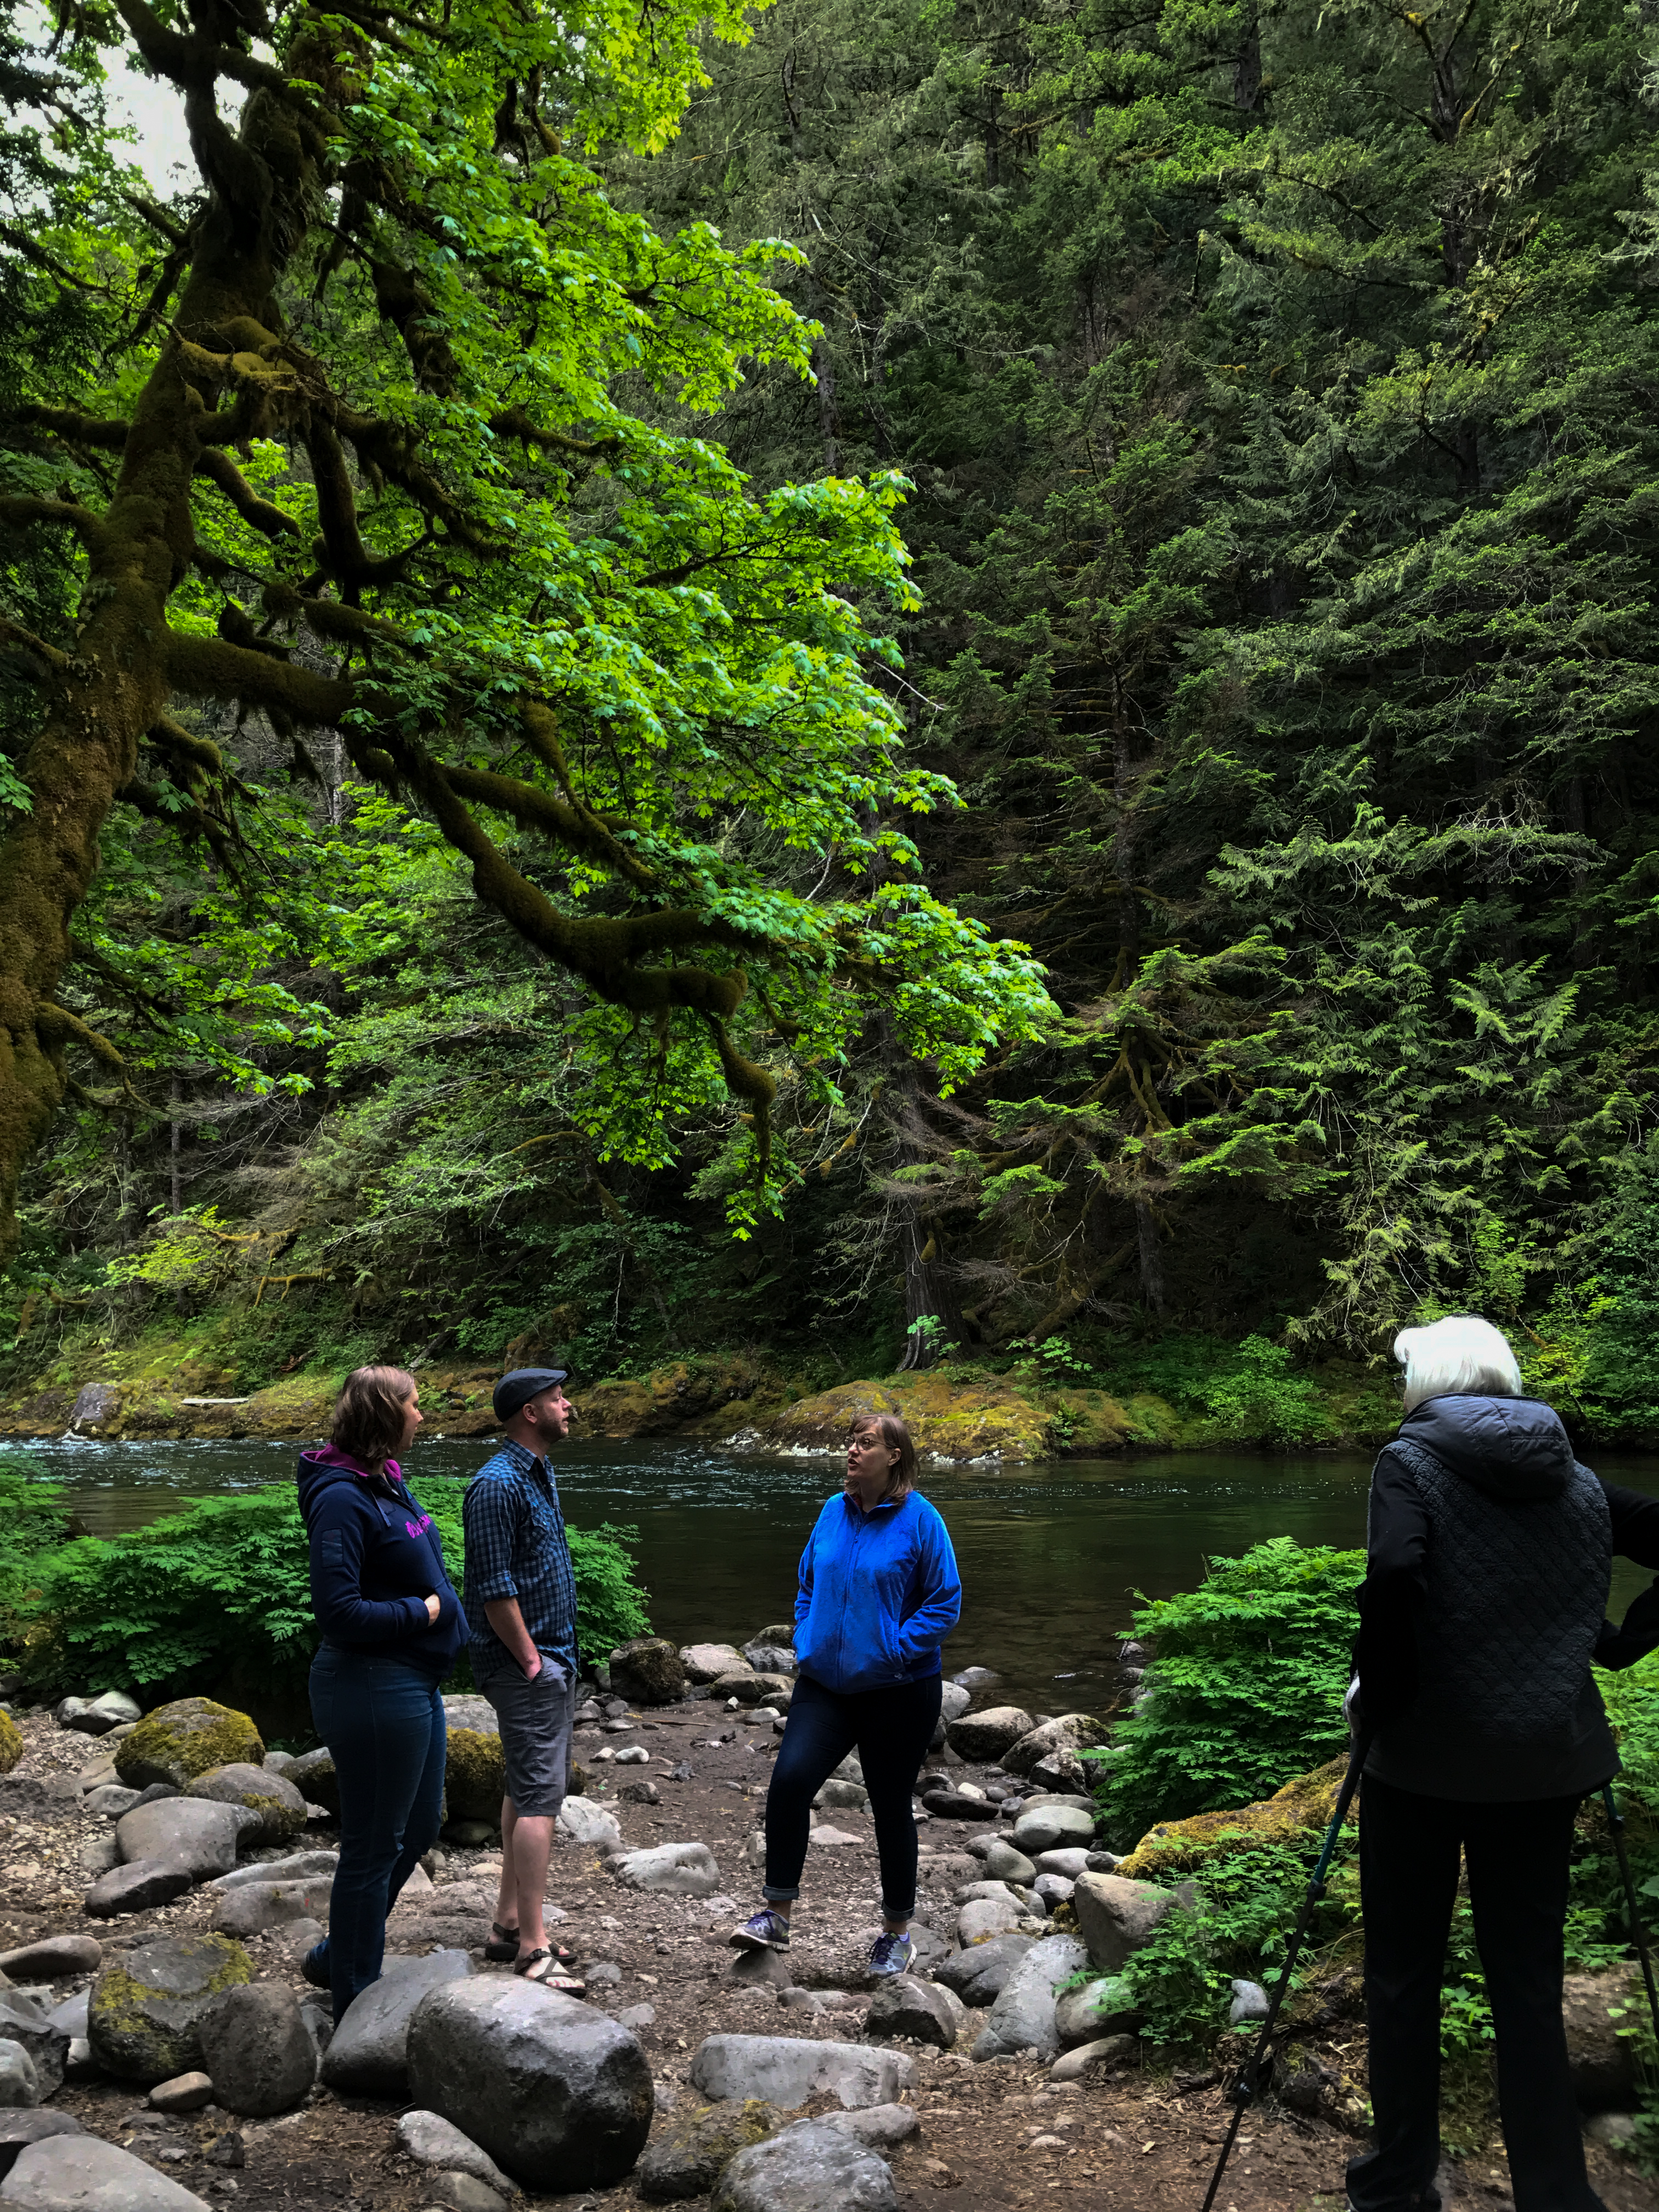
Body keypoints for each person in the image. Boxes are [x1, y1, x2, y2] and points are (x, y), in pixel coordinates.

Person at [1346, 1314, 1659, 2212]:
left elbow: (1396, 1573)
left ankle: (1398, 2182)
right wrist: (1614, 1644)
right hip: (1544, 1769)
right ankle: (1555, 2194)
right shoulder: (1575, 1478)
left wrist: (1380, 1702)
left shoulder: (1406, 1463)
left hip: (1416, 1769)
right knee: (1525, 1982)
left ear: (1427, 1381)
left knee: (1403, 1975)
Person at [730, 1412, 961, 1976]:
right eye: (851, 1443)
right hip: (826, 1686)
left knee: (889, 1808)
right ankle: (777, 1914)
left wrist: (895, 1650)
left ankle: (896, 1935)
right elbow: (808, 1583)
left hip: (899, 1690)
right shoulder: (833, 1512)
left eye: (865, 1444)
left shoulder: (922, 1520)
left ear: (895, 1456)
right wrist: (807, 1638)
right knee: (789, 1782)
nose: (852, 1452)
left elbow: (945, 1601)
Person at [299, 1364, 462, 2024]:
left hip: (413, 1681)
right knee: (371, 1843)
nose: (423, 1416)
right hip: (370, 1684)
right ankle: (356, 1999)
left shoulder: (385, 1480)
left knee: (421, 1825)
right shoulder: (341, 1497)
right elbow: (338, 1612)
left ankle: (339, 1953)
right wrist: (420, 1615)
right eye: (415, 1406)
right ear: (383, 1415)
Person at [462, 1367, 585, 1991]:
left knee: (523, 1786)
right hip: (523, 1662)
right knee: (541, 1799)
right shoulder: (496, 1485)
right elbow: (493, 1589)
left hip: (549, 1654)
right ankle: (534, 1948)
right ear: (530, 1414)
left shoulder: (538, 1472)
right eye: (559, 1399)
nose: (570, 1405)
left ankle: (508, 1922)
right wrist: (533, 1662)